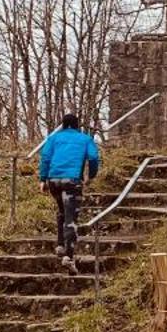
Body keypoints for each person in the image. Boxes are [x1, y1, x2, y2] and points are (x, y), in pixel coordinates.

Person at [38, 111, 100, 271]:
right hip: (72, 180)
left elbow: (45, 157)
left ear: (63, 125)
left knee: (61, 211)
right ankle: (69, 256)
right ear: (77, 125)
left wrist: (42, 179)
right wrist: (91, 175)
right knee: (71, 217)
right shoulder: (85, 138)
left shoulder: (54, 138)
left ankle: (60, 245)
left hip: (54, 180)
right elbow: (93, 158)